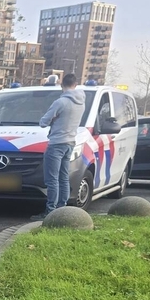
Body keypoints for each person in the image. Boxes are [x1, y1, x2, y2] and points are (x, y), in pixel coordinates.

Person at [34, 73, 84, 220]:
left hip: (56, 143)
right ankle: (62, 209)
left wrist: (53, 119)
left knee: (52, 179)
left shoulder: (60, 102)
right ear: (75, 85)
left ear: (62, 85)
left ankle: (50, 211)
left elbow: (43, 122)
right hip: (70, 142)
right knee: (63, 177)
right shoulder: (81, 102)